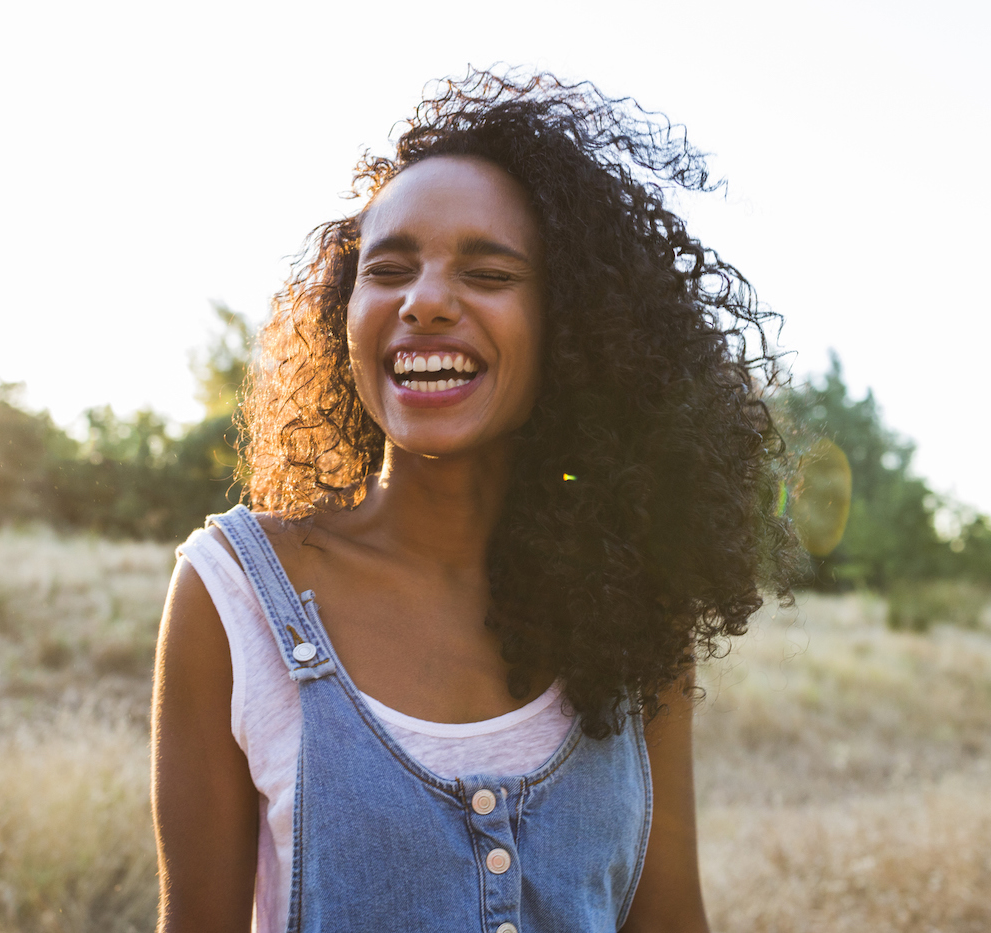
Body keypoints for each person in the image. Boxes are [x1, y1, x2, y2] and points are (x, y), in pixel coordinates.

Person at [151, 69, 792, 933]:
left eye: (488, 272)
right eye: (390, 269)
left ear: (572, 324)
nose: (424, 302)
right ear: (349, 312)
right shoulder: (235, 595)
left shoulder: (638, 608)